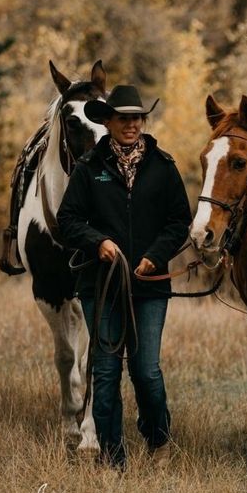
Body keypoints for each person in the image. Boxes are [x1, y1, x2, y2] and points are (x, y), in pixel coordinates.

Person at [57, 84, 191, 470]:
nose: (131, 125)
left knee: (146, 371)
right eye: (123, 118)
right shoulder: (88, 168)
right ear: (108, 121)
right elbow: (68, 221)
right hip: (101, 285)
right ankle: (112, 457)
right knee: (106, 372)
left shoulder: (163, 167)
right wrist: (97, 242)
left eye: (136, 118)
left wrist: (155, 256)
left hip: (150, 287)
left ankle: (158, 438)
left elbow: (178, 220)